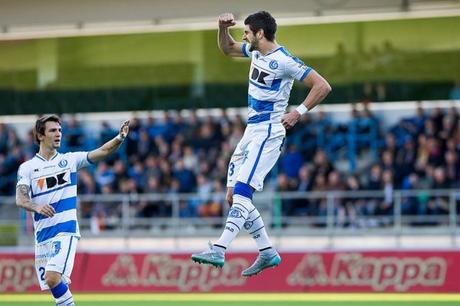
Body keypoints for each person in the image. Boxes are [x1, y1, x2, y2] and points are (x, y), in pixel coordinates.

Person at [191, 11, 331, 277]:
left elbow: (322, 86)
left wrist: (297, 112)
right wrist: (221, 27)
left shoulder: (285, 61)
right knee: (233, 195)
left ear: (260, 34)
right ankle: (267, 251)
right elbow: (227, 48)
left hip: (268, 130)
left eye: (246, 32)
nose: (243, 36)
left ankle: (219, 248)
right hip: (251, 130)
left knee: (243, 192)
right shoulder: (255, 52)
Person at [16, 115, 129, 306]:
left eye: (60, 130)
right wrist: (37, 207)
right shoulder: (27, 168)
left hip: (65, 231)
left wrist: (119, 138)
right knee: (55, 287)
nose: (58, 134)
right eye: (53, 130)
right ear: (40, 135)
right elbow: (21, 198)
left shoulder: (70, 160)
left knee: (52, 277)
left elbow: (101, 151)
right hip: (43, 237)